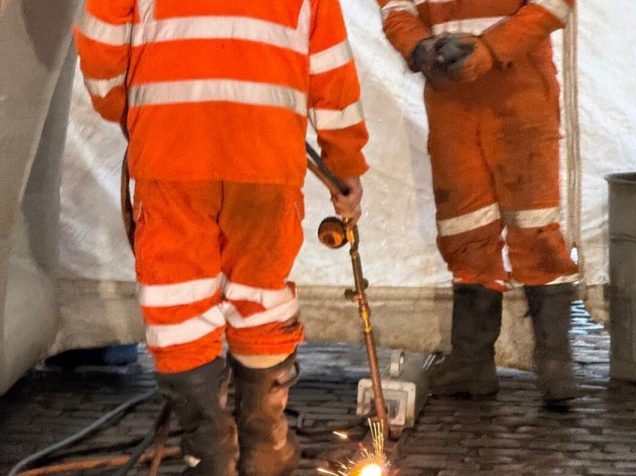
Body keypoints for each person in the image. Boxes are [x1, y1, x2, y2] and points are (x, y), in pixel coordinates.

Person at [74, 0, 368, 474]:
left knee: (179, 306)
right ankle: (266, 447)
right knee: (261, 296)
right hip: (267, 158)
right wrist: (344, 164)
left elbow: (100, 41)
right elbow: (331, 69)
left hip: (172, 153)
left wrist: (129, 109)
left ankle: (209, 454)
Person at [376, 0, 579, 404]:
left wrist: (491, 49)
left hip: (519, 91)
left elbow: (555, 4)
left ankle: (554, 364)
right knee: (464, 228)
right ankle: (474, 363)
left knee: (535, 228)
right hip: (453, 99)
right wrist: (419, 48)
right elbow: (396, 7)